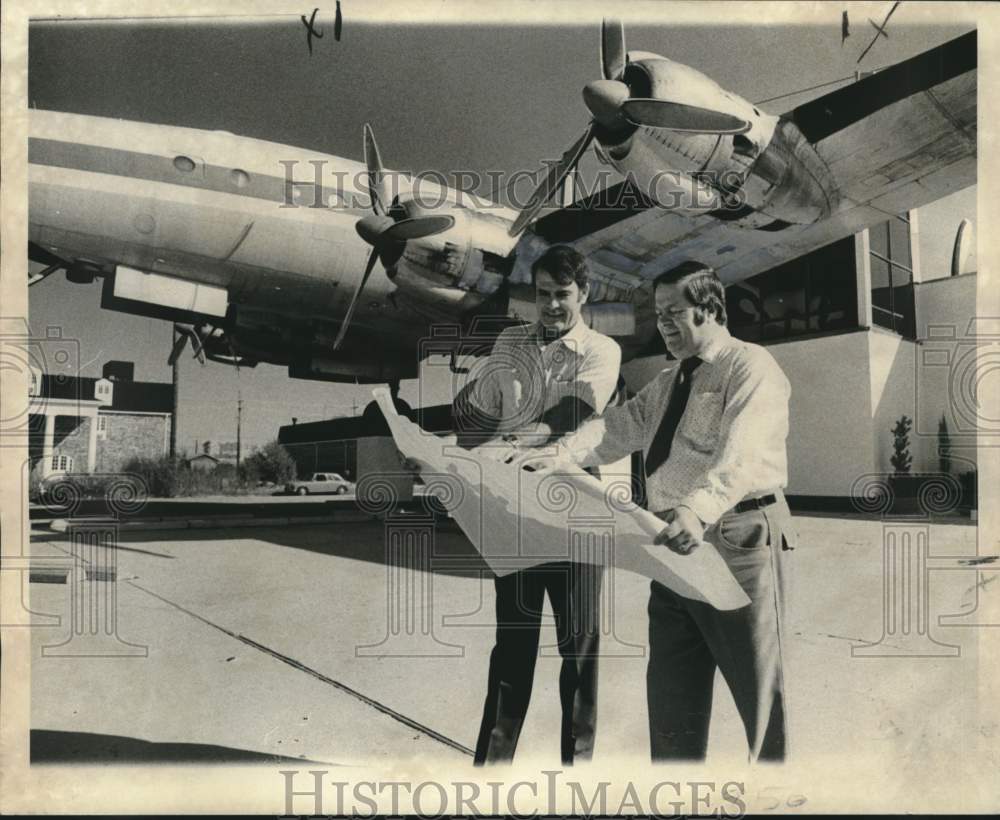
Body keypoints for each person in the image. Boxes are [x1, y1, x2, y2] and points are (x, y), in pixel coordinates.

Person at [520, 260, 795, 763]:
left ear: (710, 309)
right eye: (658, 314)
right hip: (671, 543)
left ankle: (773, 792)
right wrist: (557, 455)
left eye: (673, 313)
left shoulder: (749, 366)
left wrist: (698, 510)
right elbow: (616, 426)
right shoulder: (670, 381)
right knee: (672, 693)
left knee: (757, 691)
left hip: (736, 536)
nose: (662, 324)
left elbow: (743, 452)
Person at [446, 244, 622, 765]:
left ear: (584, 293)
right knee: (512, 647)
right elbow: (480, 415)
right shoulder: (509, 341)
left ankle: (576, 771)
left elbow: (573, 412)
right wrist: (443, 449)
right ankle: (490, 771)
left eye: (562, 294)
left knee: (579, 647)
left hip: (576, 509)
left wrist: (514, 442)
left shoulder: (602, 350)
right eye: (542, 294)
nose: (551, 306)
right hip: (515, 510)